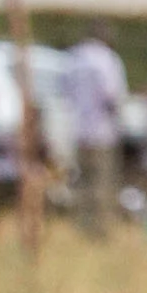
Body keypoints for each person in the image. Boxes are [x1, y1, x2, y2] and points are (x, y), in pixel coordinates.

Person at [54, 34, 129, 230]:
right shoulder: (107, 59)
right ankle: (99, 228)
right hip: (102, 132)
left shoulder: (74, 59)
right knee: (101, 182)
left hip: (78, 130)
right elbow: (112, 95)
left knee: (81, 182)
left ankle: (82, 225)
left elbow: (64, 93)